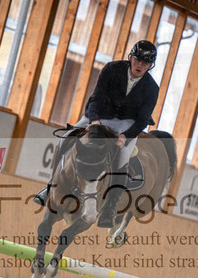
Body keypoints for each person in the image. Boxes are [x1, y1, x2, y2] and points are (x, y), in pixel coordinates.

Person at [34, 40, 159, 228]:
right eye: (138, 60)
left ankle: (110, 207)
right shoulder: (111, 69)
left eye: (145, 63)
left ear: (150, 65)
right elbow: (96, 98)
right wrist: (94, 120)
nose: (140, 65)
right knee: (66, 138)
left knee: (124, 157)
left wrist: (126, 136)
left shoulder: (152, 88)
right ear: (130, 57)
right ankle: (50, 186)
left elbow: (142, 120)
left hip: (126, 124)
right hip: (100, 115)